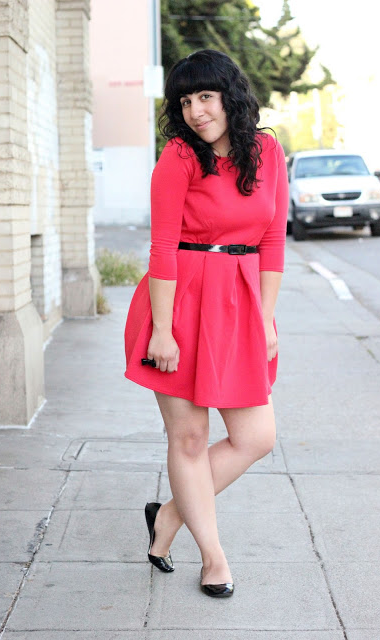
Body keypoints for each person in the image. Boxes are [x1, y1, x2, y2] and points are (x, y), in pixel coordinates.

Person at [124, 49, 288, 598]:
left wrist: (266, 318)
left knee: (256, 436)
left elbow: (272, 241)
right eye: (186, 100)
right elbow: (163, 247)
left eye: (206, 96)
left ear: (230, 95)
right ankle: (213, 557)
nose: (196, 111)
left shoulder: (266, 150)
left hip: (239, 305)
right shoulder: (178, 156)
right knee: (190, 436)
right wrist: (163, 330)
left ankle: (168, 515)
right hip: (181, 299)